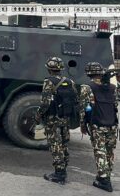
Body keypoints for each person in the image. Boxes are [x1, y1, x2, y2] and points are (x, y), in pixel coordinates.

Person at [35, 57, 78, 185]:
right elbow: (75, 99)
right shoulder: (70, 81)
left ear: (49, 69)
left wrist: (38, 115)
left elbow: (45, 102)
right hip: (65, 117)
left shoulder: (49, 82)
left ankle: (59, 174)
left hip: (53, 118)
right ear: (61, 69)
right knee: (64, 144)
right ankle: (63, 170)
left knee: (55, 144)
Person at [79, 62, 118, 192]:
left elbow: (84, 107)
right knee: (109, 152)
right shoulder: (113, 87)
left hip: (98, 124)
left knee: (99, 151)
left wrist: (82, 124)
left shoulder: (87, 87)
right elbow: (116, 103)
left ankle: (104, 181)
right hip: (112, 124)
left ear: (89, 73)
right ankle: (104, 175)